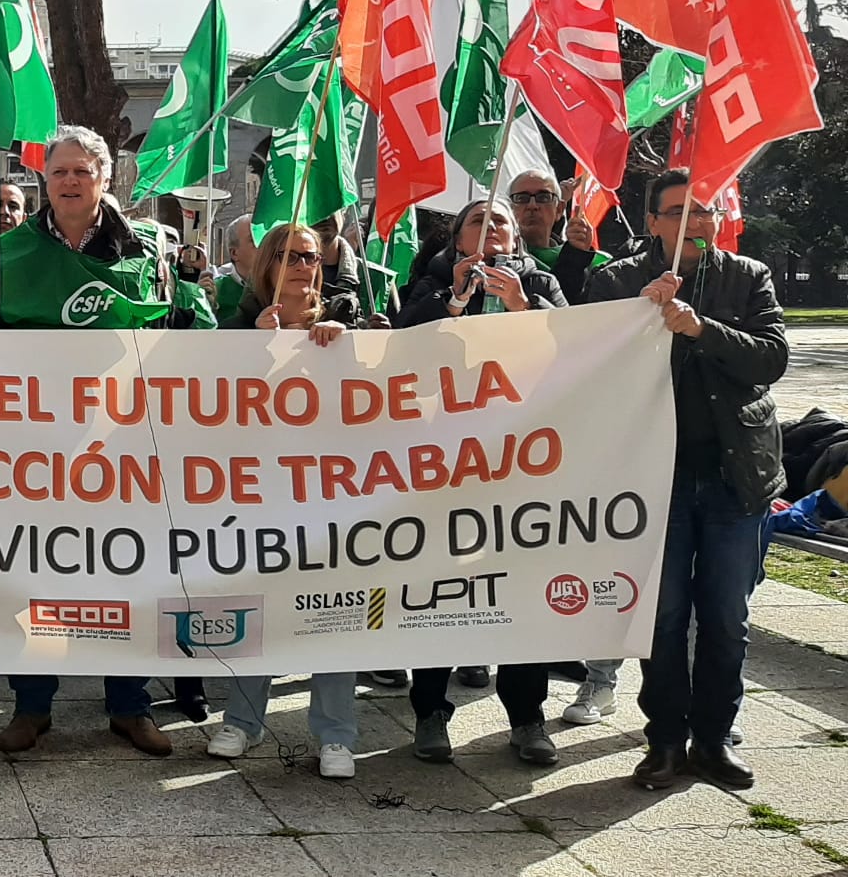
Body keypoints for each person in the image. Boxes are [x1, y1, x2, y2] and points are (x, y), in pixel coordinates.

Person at [0, 125, 213, 758]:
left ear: (105, 179)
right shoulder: (12, 252)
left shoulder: (147, 252)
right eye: (59, 172)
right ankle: (32, 705)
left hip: (126, 446)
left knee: (128, 571)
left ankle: (129, 706)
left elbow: (187, 336)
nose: (71, 181)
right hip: (38, 447)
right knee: (36, 571)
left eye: (83, 171)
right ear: (44, 179)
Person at [586, 169, 787, 791]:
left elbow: (771, 358)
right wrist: (641, 319)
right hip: (655, 480)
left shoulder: (747, 276)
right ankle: (665, 742)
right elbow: (588, 369)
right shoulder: (615, 281)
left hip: (736, 478)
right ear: (652, 223)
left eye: (705, 210)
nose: (695, 223)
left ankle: (714, 740)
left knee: (726, 617)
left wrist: (702, 328)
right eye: (679, 212)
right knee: (663, 617)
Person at [395, 198, 569, 767]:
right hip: (446, 464)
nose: (491, 227)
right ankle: (429, 710)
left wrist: (523, 303)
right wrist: (454, 301)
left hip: (521, 464)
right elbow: (401, 350)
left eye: (500, 220)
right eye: (478, 220)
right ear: (457, 235)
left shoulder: (541, 280)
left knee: (521, 588)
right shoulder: (430, 282)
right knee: (439, 585)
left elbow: (573, 348)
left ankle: (526, 715)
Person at [208, 222, 359, 779]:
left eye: (312, 256)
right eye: (290, 256)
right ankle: (242, 721)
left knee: (335, 612)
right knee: (258, 607)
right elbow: (204, 396)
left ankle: (337, 734)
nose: (303, 265)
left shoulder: (346, 326)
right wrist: (253, 342)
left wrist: (348, 344)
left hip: (332, 497)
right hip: (260, 496)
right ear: (267, 264)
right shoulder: (236, 329)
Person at [508, 169, 610, 305]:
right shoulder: (499, 259)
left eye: (543, 197)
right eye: (521, 198)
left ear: (559, 209)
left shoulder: (595, 262)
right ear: (508, 209)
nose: (532, 206)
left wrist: (577, 254)